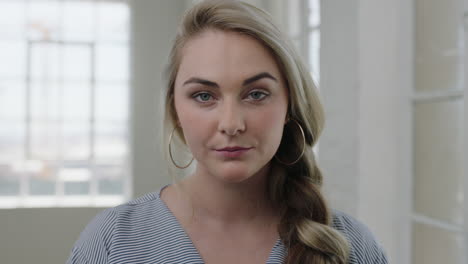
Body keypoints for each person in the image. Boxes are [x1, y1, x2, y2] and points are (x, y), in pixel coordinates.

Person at [67, 0, 388, 263]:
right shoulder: (113, 242)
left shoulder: (350, 247)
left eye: (256, 94)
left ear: (290, 106)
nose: (231, 124)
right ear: (175, 110)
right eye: (204, 96)